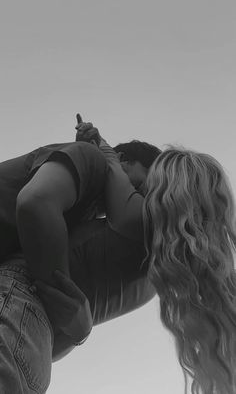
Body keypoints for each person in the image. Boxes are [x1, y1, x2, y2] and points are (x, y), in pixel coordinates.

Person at [0, 119, 160, 393]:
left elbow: (45, 344)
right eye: (142, 186)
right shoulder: (92, 160)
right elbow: (35, 203)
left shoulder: (80, 213)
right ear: (121, 160)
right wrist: (58, 297)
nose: (139, 198)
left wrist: (78, 333)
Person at [76, 121, 236, 394]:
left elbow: (126, 211)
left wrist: (106, 155)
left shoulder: (137, 224)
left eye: (140, 188)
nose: (128, 194)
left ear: (163, 194)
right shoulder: (155, 276)